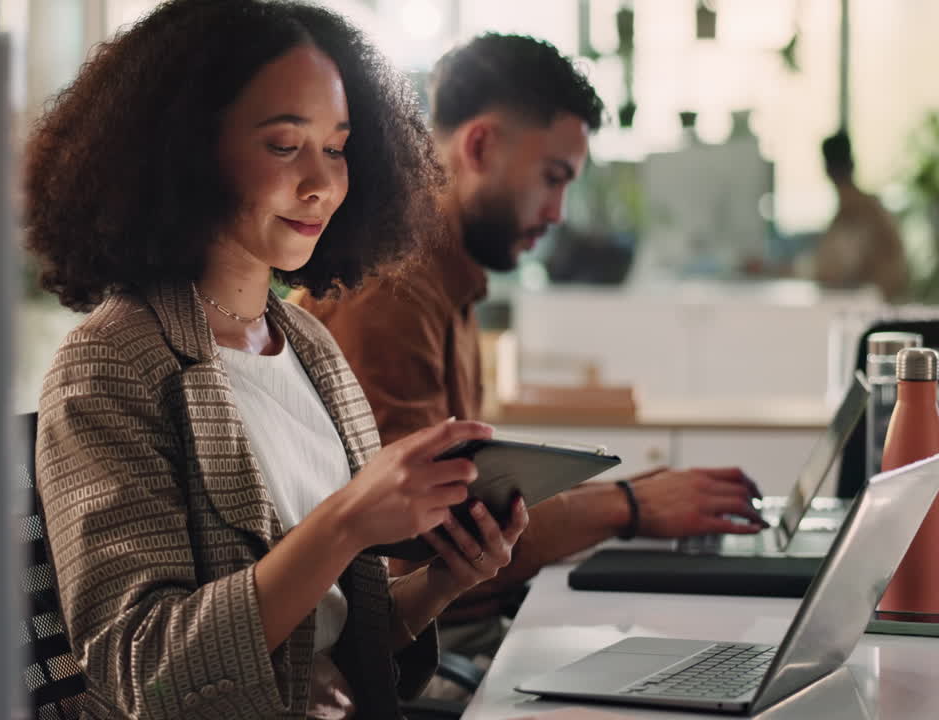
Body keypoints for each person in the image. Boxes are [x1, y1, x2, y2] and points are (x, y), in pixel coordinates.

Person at [24, 3, 529, 718]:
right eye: (286, 145)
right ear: (187, 151)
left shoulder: (307, 344)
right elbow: (146, 675)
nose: (322, 182)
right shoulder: (109, 365)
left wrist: (441, 583)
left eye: (338, 148)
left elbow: (325, 638)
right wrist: (347, 522)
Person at [299, 33, 767, 663]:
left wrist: (634, 499)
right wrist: (628, 506)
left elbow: (463, 496)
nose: (557, 213)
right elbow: (423, 532)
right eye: (552, 178)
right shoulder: (390, 291)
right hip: (421, 648)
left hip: (459, 627)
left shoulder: (446, 282)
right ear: (481, 146)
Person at [811, 131, 910, 300]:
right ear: (853, 164)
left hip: (875, 303)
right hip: (876, 300)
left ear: (826, 170)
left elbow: (831, 271)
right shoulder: (870, 207)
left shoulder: (856, 212)